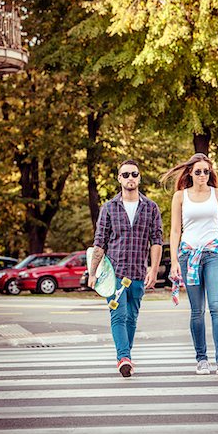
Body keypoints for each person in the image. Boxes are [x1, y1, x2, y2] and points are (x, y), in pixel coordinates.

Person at [162, 153, 218, 375]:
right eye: (198, 171)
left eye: (207, 171)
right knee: (197, 311)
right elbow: (175, 230)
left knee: (217, 306)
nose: (203, 175)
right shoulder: (180, 196)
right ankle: (202, 359)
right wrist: (175, 260)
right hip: (188, 256)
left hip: (214, 253)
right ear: (190, 173)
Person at [88, 159, 163, 378]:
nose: (130, 178)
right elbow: (99, 242)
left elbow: (156, 240)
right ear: (119, 178)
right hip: (114, 275)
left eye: (134, 174)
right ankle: (123, 357)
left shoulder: (151, 208)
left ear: (139, 178)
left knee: (131, 317)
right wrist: (92, 273)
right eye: (126, 174)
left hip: (139, 273)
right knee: (118, 315)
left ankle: (125, 356)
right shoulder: (109, 208)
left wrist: (154, 269)